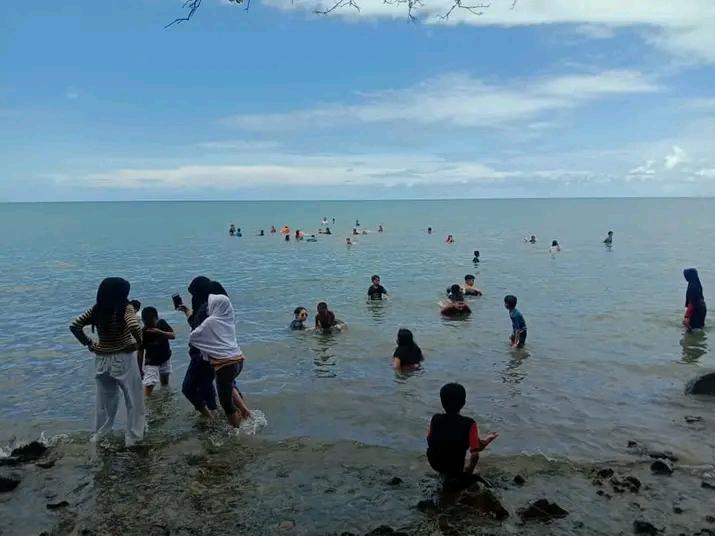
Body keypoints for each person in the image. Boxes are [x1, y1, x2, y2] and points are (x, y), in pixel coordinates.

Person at [69, 277, 145, 447]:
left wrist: (89, 343)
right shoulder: (125, 307)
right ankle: (133, 439)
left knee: (104, 403)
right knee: (134, 400)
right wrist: (138, 343)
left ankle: (100, 437)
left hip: (101, 359)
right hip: (122, 358)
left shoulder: (97, 309)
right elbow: (133, 325)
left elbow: (75, 325)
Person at [188, 294, 250, 427]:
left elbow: (193, 337)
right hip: (238, 361)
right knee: (228, 386)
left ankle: (236, 432)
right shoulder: (228, 318)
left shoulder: (211, 321)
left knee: (226, 405)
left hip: (225, 366)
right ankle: (245, 412)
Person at [427, 383, 498, 492]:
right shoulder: (469, 423)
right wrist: (469, 471)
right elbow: (475, 455)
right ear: (463, 403)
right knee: (477, 478)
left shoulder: (435, 419)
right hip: (456, 467)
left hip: (435, 463)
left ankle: (444, 475)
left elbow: (430, 439)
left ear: (442, 402)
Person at [178, 276, 218, 419]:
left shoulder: (204, 310)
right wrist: (186, 311)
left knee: (188, 388)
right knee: (207, 385)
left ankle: (208, 416)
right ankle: (214, 413)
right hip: (211, 355)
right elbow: (197, 325)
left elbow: (197, 329)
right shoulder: (211, 307)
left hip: (200, 356)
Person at [138, 306, 175, 396]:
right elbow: (140, 352)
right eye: (146, 323)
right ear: (143, 321)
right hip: (151, 361)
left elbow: (173, 336)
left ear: (156, 318)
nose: (149, 325)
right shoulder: (143, 332)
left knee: (165, 384)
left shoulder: (162, 324)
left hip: (165, 357)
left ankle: (165, 398)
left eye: (151, 322)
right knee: (149, 384)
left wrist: (160, 332)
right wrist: (140, 369)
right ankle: (148, 406)